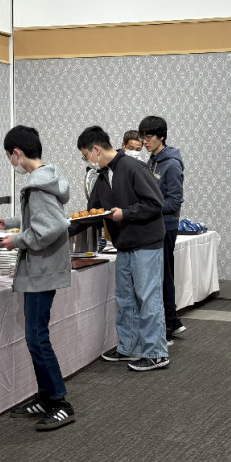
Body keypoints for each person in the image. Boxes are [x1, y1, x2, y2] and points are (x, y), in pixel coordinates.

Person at [0, 125, 75, 430]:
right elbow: (44, 217)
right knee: (35, 336)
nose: (11, 162)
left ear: (17, 152)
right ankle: (45, 396)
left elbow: (53, 226)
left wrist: (15, 240)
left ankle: (60, 402)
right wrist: (13, 222)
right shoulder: (47, 178)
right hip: (42, 269)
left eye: (9, 157)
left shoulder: (36, 185)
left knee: (37, 337)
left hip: (41, 270)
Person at [70, 126, 170, 371]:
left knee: (148, 298)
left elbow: (155, 204)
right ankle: (129, 347)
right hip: (123, 245)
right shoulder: (102, 176)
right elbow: (92, 213)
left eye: (86, 155)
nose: (87, 160)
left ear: (96, 150)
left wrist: (125, 213)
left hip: (146, 243)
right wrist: (62, 229)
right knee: (125, 300)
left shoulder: (134, 168)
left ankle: (156, 353)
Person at [139, 115, 186, 343]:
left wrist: (149, 208)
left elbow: (175, 201)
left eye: (149, 137)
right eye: (143, 137)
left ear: (161, 137)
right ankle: (173, 321)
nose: (144, 142)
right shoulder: (152, 160)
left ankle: (167, 326)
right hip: (154, 226)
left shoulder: (172, 164)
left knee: (163, 277)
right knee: (162, 275)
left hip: (166, 226)